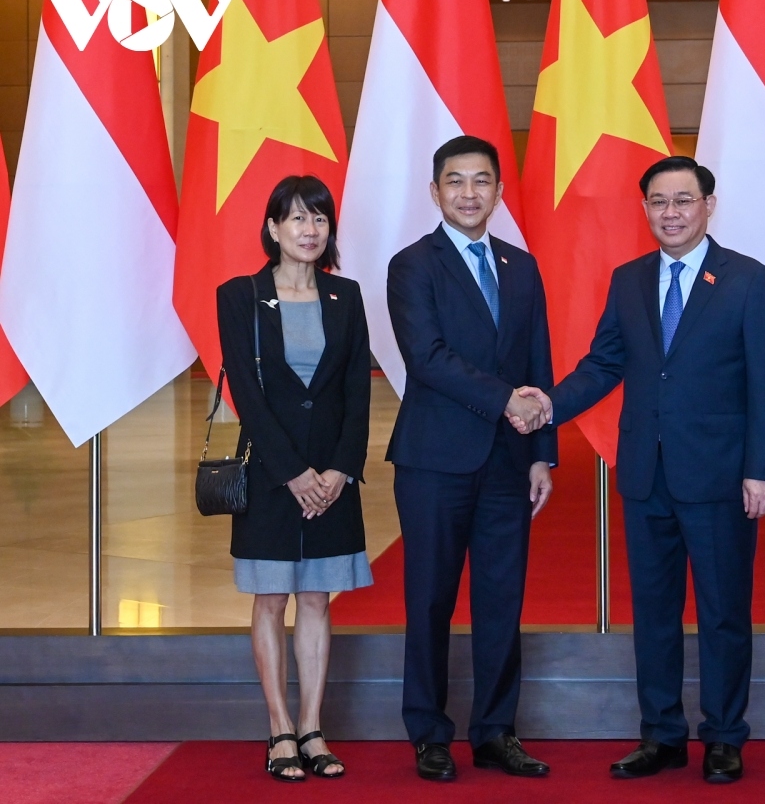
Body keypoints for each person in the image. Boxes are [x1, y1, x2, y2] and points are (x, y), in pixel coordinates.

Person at [517, 156, 765, 784]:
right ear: (645, 210)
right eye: (659, 202)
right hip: (644, 475)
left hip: (721, 476)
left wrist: (761, 470)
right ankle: (662, 733)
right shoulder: (629, 279)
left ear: (709, 205)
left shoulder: (748, 280)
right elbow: (604, 363)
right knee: (655, 611)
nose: (671, 213)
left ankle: (723, 734)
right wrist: (551, 405)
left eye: (683, 200)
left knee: (722, 610)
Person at [386, 135, 557, 781]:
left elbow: (537, 359)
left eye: (481, 181)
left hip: (510, 463)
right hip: (434, 459)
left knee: (500, 600)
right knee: (429, 598)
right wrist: (507, 400)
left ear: (498, 192)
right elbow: (426, 358)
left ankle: (494, 731)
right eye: (455, 181)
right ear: (435, 192)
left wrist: (543, 451)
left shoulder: (521, 265)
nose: (468, 193)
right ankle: (429, 730)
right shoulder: (413, 265)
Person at [216, 175, 373, 782]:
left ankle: (312, 728)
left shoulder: (347, 295)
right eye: (297, 219)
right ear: (273, 228)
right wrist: (293, 474)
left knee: (316, 598)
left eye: (320, 220)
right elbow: (248, 398)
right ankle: (278, 727)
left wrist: (338, 469)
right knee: (272, 597)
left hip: (333, 477)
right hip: (271, 477)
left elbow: (357, 390)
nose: (310, 231)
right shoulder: (241, 295)